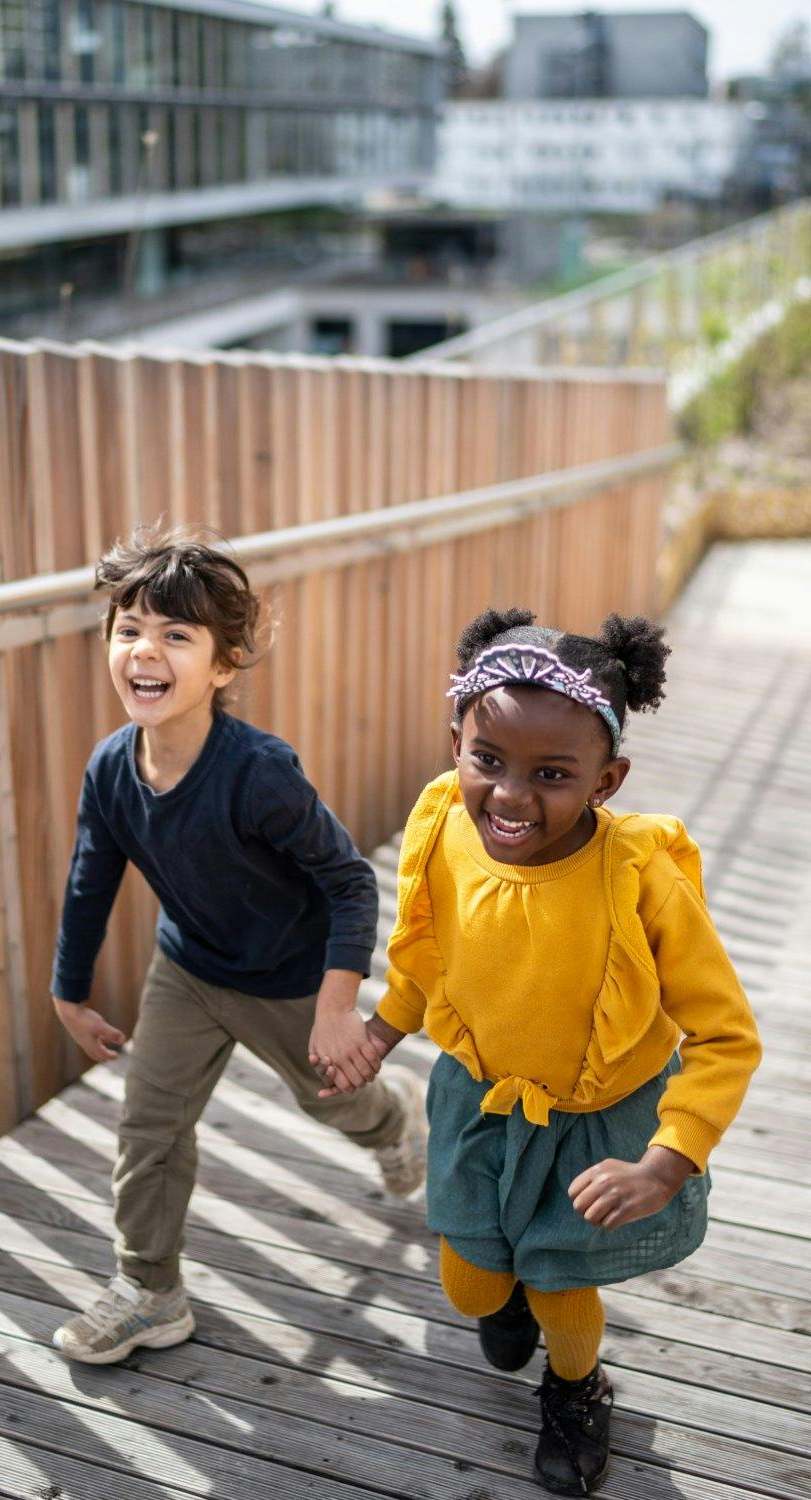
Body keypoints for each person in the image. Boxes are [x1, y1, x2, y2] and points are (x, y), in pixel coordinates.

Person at [322, 607, 760, 1496]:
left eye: (552, 774)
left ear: (607, 780)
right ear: (456, 744)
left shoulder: (639, 878)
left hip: (596, 1125)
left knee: (563, 1295)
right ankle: (510, 1284)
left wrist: (668, 1161)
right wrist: (382, 1029)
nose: (512, 797)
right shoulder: (444, 824)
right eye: (488, 760)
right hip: (479, 1102)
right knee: (471, 1290)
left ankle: (576, 1385)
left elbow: (724, 1035)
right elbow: (429, 952)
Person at [49, 524, 427, 1365]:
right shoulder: (111, 769)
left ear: (223, 667)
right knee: (149, 1125)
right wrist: (68, 994)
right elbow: (88, 882)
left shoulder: (258, 772)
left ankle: (397, 1117)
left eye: (176, 635)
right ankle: (151, 1291)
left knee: (335, 1103)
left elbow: (349, 882)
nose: (146, 650)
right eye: (128, 629)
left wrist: (338, 1009)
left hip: (288, 976)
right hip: (188, 968)